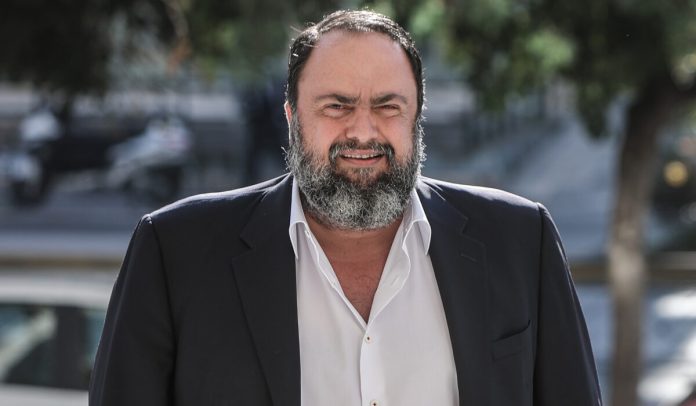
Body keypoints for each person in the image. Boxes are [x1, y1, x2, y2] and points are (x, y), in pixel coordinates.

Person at [89, 10, 602, 406]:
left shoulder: (520, 240)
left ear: (416, 118)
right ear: (292, 117)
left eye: (387, 106)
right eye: (337, 106)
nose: (362, 131)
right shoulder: (175, 252)